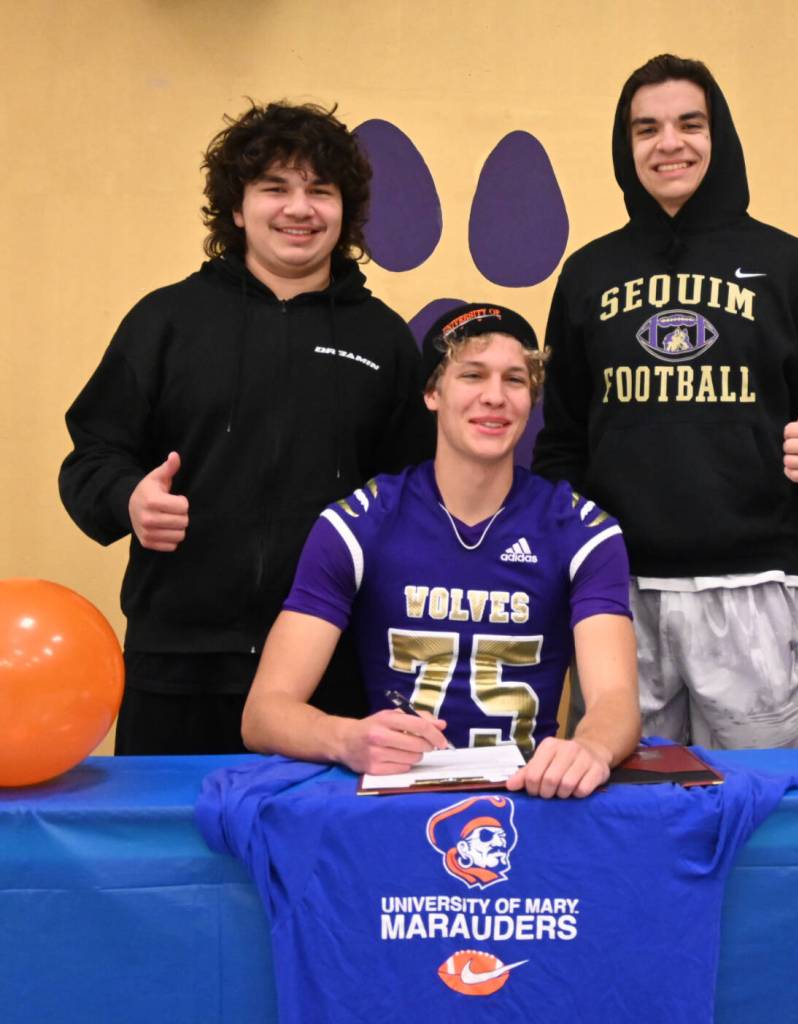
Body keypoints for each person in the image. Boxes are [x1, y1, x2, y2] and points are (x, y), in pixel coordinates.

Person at [59, 101, 433, 755]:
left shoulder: (384, 340)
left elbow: (413, 496)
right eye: (274, 188)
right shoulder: (166, 321)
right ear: (236, 208)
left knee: (309, 828)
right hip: (178, 666)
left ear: (345, 210)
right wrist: (129, 498)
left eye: (321, 190)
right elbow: (92, 454)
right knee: (168, 828)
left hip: (329, 670)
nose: (299, 208)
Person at [533, 54, 798, 749]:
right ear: (626, 145)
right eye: (646, 128)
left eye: (689, 124)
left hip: (752, 585)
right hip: (618, 593)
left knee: (755, 798)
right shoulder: (588, 273)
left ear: (720, 135)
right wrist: (572, 548)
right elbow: (561, 437)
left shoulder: (788, 263)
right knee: (624, 798)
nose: (669, 143)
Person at [242, 303, 641, 797]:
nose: (494, 396)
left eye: (515, 380)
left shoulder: (580, 531)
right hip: (397, 800)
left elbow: (615, 700)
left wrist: (592, 749)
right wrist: (345, 739)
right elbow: (264, 713)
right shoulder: (360, 523)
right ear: (432, 392)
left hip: (529, 798)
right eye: (472, 375)